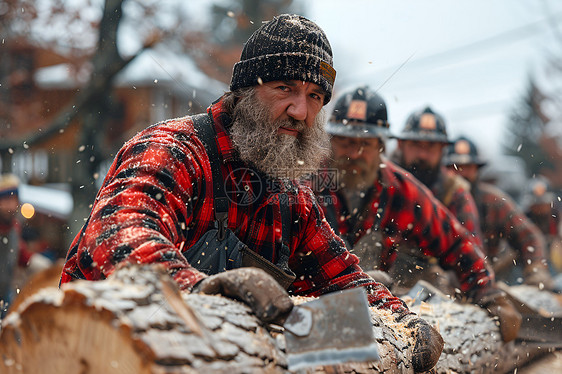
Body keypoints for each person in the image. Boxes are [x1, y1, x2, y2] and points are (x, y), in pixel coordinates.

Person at [60, 15, 443, 371]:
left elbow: (341, 277)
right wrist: (198, 290)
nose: (300, 111)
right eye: (285, 88)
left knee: (335, 332)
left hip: (208, 362)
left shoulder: (292, 196)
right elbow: (118, 236)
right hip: (96, 353)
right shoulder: (175, 150)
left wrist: (402, 324)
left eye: (314, 96)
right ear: (245, 90)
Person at [315, 86, 521, 343]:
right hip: (311, 302)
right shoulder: (308, 179)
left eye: (365, 144)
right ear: (331, 141)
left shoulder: (402, 190)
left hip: (378, 313)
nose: (355, 153)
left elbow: (457, 244)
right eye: (346, 143)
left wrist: (488, 294)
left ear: (381, 146)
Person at [443, 136, 553, 289]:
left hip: (487, 280)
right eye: (456, 167)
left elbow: (529, 237)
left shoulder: (493, 200)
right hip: (441, 282)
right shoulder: (435, 201)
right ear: (445, 170)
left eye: (468, 167)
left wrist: (536, 269)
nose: (463, 173)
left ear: (477, 169)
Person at [393, 107, 482, 244]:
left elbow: (471, 253)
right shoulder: (383, 183)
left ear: (443, 149)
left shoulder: (455, 193)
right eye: (415, 144)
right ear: (400, 144)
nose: (422, 154)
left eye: (431, 146)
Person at [0, 174, 50, 316]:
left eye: (13, 200)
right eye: (5, 200)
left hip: (4, 296)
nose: (10, 206)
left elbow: (22, 255)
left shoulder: (14, 229)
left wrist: (48, 267)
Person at [521, 177, 562, 275]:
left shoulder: (556, 215)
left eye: (544, 203)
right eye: (537, 204)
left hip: (553, 257)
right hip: (529, 259)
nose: (541, 207)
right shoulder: (524, 218)